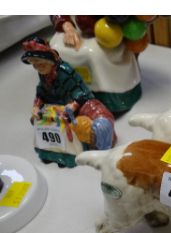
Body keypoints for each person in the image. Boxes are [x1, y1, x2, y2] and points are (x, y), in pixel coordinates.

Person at [22, 37, 116, 167]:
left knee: (100, 124)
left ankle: (95, 150)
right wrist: (36, 106)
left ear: (49, 60)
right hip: (55, 112)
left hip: (75, 106)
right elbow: (41, 92)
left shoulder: (65, 71)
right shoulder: (44, 74)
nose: (37, 68)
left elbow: (81, 91)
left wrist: (73, 104)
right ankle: (54, 155)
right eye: (34, 64)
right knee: (42, 123)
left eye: (40, 63)